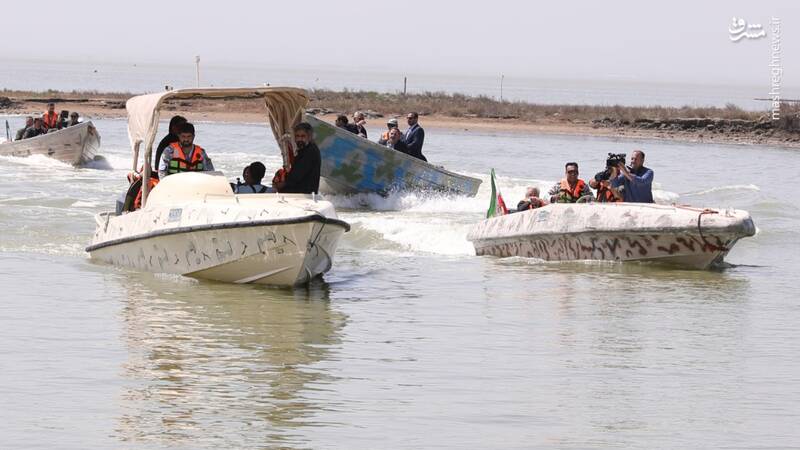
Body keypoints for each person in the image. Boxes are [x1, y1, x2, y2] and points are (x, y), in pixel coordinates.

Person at [273, 122, 320, 194]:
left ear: (309, 136)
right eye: (297, 136)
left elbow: (296, 176)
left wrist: (281, 184)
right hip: (301, 192)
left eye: (303, 136)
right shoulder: (305, 149)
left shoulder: (310, 152)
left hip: (303, 194)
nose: (299, 139)